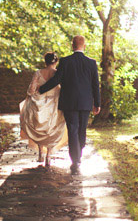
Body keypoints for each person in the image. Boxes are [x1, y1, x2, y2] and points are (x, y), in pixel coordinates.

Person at [38, 36, 101, 174]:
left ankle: (76, 159)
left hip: (69, 102)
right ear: (84, 46)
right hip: (85, 103)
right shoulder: (91, 63)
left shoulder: (65, 61)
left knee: (73, 130)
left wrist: (41, 89)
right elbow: (95, 84)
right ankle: (77, 156)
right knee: (81, 130)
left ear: (72, 46)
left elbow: (56, 79)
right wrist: (97, 103)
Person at [19, 52, 68, 167]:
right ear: (56, 62)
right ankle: (49, 155)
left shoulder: (38, 73)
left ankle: (41, 152)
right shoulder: (58, 74)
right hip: (54, 104)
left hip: (39, 102)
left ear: (45, 61)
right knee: (52, 128)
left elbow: (31, 89)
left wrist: (33, 94)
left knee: (38, 127)